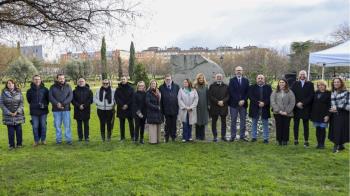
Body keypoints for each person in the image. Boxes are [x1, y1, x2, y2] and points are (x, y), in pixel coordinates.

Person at [291, 70, 314, 147]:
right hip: (296, 107)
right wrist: (297, 103)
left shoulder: (310, 84)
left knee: (306, 125)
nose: (302, 75)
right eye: (301, 74)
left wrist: (303, 103)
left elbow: (311, 96)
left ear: (306, 75)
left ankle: (306, 141)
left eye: (304, 74)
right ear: (299, 75)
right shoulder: (295, 83)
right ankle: (296, 140)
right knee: (296, 125)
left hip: (306, 107)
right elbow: (292, 94)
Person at [0, 80, 25, 150]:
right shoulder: (3, 93)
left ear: (14, 84)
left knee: (19, 130)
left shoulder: (18, 92)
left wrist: (17, 111)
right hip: (8, 115)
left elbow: (22, 103)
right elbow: (1, 104)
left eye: (11, 83)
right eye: (8, 83)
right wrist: (9, 112)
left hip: (18, 114)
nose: (10, 84)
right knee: (10, 131)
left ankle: (19, 144)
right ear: (7, 85)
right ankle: (11, 145)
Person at [49, 74, 73, 145]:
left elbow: (70, 96)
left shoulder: (68, 86)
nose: (62, 80)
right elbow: (50, 97)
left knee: (67, 125)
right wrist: (57, 104)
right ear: (57, 79)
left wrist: (62, 104)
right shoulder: (52, 87)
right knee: (57, 125)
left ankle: (68, 139)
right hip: (56, 110)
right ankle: (58, 140)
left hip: (66, 109)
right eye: (60, 78)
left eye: (63, 78)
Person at [248, 74, 272, 143]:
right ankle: (254, 137)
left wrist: (264, 103)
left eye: (262, 78)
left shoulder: (268, 87)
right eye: (259, 78)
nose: (260, 79)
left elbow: (270, 97)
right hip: (255, 107)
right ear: (256, 79)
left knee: (265, 123)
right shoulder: (252, 87)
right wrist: (258, 103)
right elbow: (251, 97)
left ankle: (266, 138)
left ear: (264, 80)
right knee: (254, 123)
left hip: (265, 108)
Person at [270, 79, 295, 146]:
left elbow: (292, 102)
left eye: (283, 82)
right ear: (278, 83)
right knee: (279, 126)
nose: (281, 83)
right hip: (277, 113)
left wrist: (286, 112)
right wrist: (279, 111)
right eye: (280, 82)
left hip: (287, 113)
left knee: (286, 126)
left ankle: (285, 140)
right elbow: (272, 102)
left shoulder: (290, 92)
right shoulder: (275, 92)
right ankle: (279, 140)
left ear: (286, 83)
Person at [26, 75, 49, 146]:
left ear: (41, 80)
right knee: (35, 126)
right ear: (33, 80)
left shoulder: (45, 89)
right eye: (35, 79)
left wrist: (43, 105)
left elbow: (48, 100)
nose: (37, 80)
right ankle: (36, 140)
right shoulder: (29, 91)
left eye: (38, 79)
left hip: (43, 111)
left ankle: (43, 140)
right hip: (34, 111)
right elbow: (29, 100)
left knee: (43, 126)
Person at [228, 66, 250, 142]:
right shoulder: (232, 80)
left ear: (242, 71)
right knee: (233, 120)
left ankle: (242, 136)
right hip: (234, 104)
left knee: (243, 120)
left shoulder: (246, 80)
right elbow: (231, 92)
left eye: (240, 70)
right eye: (237, 70)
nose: (238, 71)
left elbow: (248, 92)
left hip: (243, 104)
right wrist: (238, 100)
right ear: (235, 71)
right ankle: (233, 136)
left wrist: (243, 100)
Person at [328, 77, 349, 153]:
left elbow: (347, 105)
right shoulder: (333, 92)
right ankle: (341, 145)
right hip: (334, 114)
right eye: (335, 82)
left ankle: (336, 146)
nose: (336, 83)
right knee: (334, 129)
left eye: (338, 82)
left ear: (341, 83)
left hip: (343, 114)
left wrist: (336, 108)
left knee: (339, 130)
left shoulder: (346, 92)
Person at [208, 73, 229, 142]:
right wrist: (217, 102)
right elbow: (210, 96)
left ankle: (223, 136)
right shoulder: (212, 86)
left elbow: (228, 96)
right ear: (215, 78)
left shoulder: (226, 86)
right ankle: (215, 136)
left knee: (224, 122)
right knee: (214, 122)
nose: (219, 78)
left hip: (223, 106)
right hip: (214, 107)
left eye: (220, 77)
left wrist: (223, 101)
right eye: (217, 77)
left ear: (222, 78)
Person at [159, 74, 180, 142]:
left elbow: (179, 98)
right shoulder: (161, 87)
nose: (168, 80)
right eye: (167, 79)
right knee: (167, 124)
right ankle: (167, 137)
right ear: (164, 80)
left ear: (171, 79)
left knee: (174, 124)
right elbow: (160, 100)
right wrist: (161, 110)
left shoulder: (176, 87)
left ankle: (173, 137)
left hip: (174, 109)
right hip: (166, 109)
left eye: (169, 79)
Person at [310, 80, 331, 149]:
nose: (320, 86)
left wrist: (328, 115)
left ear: (325, 86)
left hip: (324, 115)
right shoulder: (315, 93)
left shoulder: (329, 93)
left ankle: (322, 144)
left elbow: (330, 105)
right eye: (319, 85)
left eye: (322, 85)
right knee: (318, 129)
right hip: (316, 114)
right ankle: (318, 143)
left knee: (322, 129)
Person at [72, 78, 93, 142]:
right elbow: (73, 100)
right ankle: (80, 137)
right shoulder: (74, 91)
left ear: (85, 82)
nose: (81, 82)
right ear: (78, 82)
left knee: (86, 125)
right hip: (78, 110)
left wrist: (84, 105)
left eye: (82, 81)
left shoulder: (89, 90)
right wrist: (79, 106)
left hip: (86, 110)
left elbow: (91, 100)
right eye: (80, 81)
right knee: (79, 125)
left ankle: (87, 137)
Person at [114, 76, 134, 141]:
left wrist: (127, 105)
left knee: (131, 123)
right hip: (121, 108)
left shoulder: (131, 88)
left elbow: (132, 98)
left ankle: (132, 136)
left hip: (129, 108)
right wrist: (122, 105)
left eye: (124, 79)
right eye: (122, 79)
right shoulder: (118, 88)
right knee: (122, 124)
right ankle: (122, 137)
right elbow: (116, 98)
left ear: (127, 80)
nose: (123, 80)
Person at [146, 80, 163, 144]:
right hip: (151, 111)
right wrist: (156, 107)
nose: (153, 85)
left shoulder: (158, 92)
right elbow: (147, 103)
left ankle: (158, 140)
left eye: (154, 84)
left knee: (158, 126)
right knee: (152, 126)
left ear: (156, 85)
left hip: (158, 112)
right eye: (152, 84)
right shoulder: (148, 93)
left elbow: (160, 101)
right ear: (150, 85)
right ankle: (153, 141)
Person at [193, 73, 209, 140]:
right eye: (200, 78)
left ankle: (202, 136)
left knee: (203, 121)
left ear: (203, 79)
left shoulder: (206, 86)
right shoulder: (195, 86)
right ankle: (197, 136)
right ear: (198, 79)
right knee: (197, 121)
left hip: (204, 106)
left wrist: (208, 104)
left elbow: (208, 96)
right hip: (197, 106)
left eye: (202, 78)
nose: (201, 79)